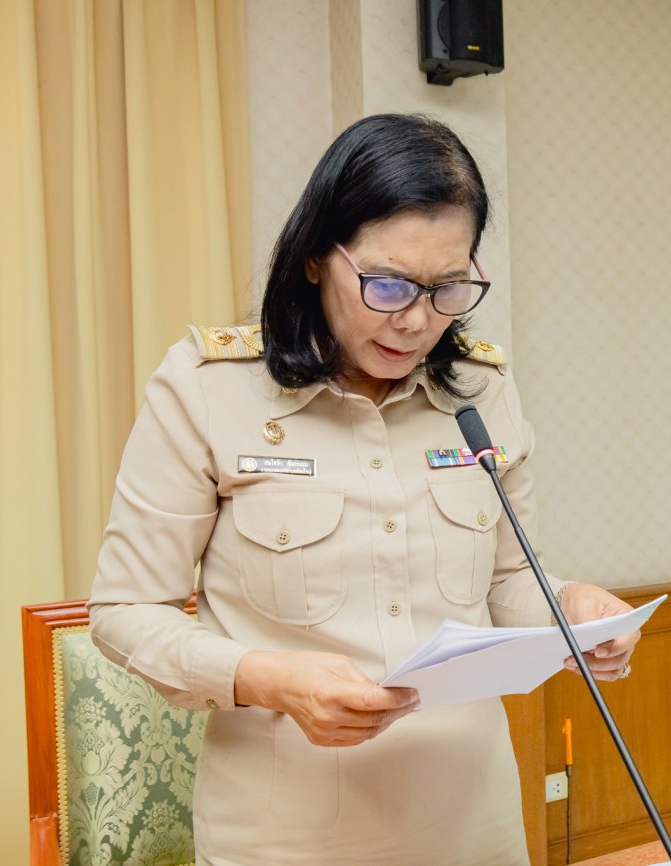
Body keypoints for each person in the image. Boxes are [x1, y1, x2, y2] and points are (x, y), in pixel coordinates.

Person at [88, 113, 641, 865]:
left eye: (448, 288)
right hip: (286, 833)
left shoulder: (480, 390)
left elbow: (508, 581)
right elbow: (125, 613)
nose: (415, 320)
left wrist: (570, 610)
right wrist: (267, 679)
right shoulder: (208, 389)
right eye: (386, 284)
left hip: (470, 821)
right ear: (317, 255)